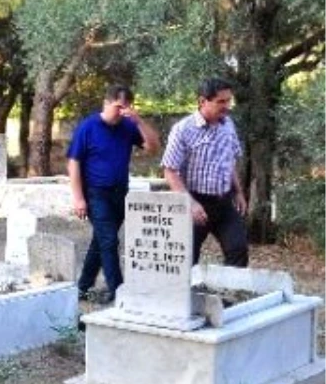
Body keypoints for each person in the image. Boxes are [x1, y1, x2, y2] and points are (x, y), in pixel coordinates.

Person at [67, 85, 160, 304]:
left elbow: (153, 148)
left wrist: (138, 121)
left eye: (126, 107)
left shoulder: (128, 126)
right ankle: (118, 291)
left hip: (120, 193)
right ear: (106, 103)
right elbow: (74, 163)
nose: (122, 112)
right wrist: (78, 197)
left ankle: (83, 287)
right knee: (109, 241)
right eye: (118, 107)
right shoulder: (88, 127)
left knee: (101, 242)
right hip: (95, 192)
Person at [162, 77, 249, 266]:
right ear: (203, 101)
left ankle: (229, 295)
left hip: (224, 202)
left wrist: (239, 192)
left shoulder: (228, 125)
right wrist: (191, 204)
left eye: (229, 100)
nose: (227, 106)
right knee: (186, 258)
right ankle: (185, 295)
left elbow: (230, 161)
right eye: (221, 101)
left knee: (238, 249)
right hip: (195, 202)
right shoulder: (183, 130)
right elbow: (170, 171)